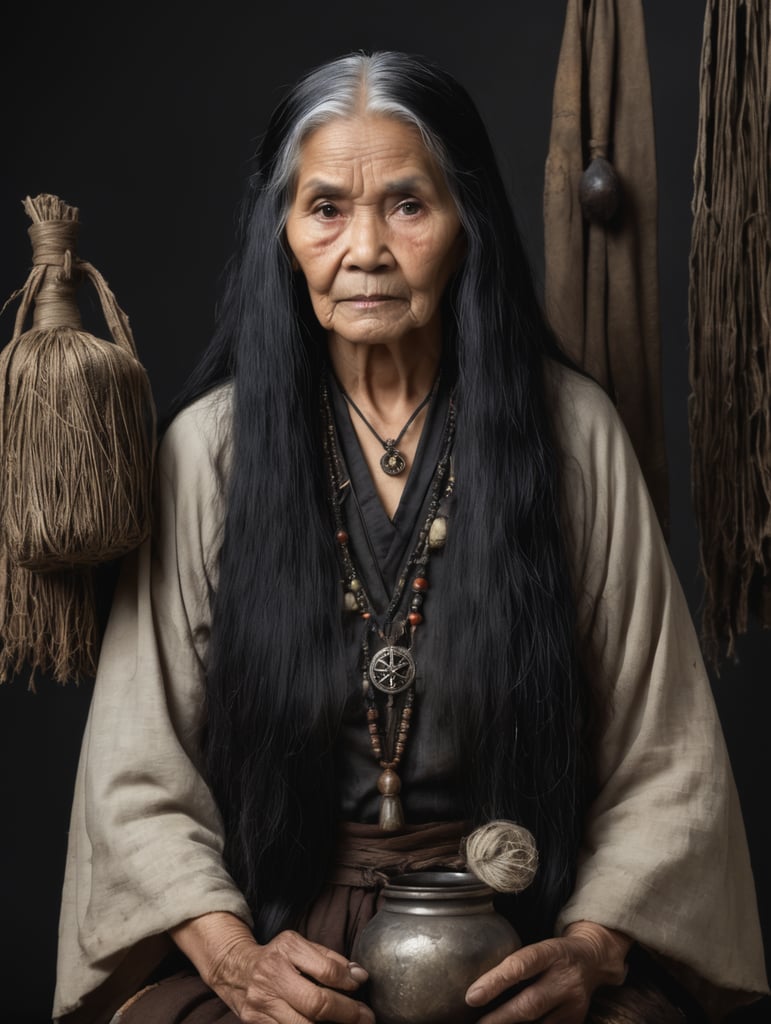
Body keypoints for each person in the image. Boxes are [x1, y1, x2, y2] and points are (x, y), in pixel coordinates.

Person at [54, 51, 768, 1024]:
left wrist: (591, 951)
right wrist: (238, 964)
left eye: (406, 205)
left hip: (511, 945)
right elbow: (138, 775)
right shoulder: (209, 452)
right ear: (283, 235)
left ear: (466, 220)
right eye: (325, 210)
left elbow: (665, 764)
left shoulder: (572, 436)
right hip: (284, 948)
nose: (366, 250)